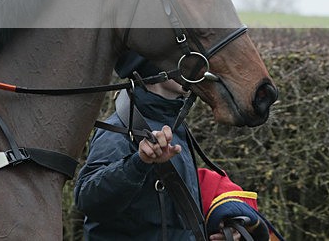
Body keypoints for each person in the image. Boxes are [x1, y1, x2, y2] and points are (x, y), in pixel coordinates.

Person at [74, 53, 241, 241]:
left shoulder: (174, 125)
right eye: (180, 59)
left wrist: (221, 223)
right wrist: (138, 163)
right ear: (152, 67)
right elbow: (87, 199)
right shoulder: (118, 130)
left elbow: (173, 222)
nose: (192, 68)